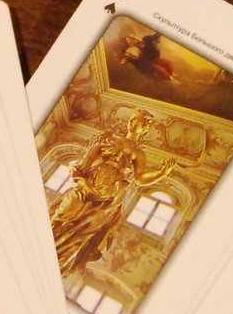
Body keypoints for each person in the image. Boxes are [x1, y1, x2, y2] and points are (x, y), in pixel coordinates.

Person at [48, 110, 175, 282]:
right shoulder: (110, 139)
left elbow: (139, 178)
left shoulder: (138, 153)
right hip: (88, 185)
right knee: (61, 216)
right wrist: (81, 178)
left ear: (145, 128)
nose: (132, 123)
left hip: (108, 197)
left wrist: (161, 173)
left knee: (84, 232)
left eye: (137, 121)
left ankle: (60, 261)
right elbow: (86, 162)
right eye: (132, 119)